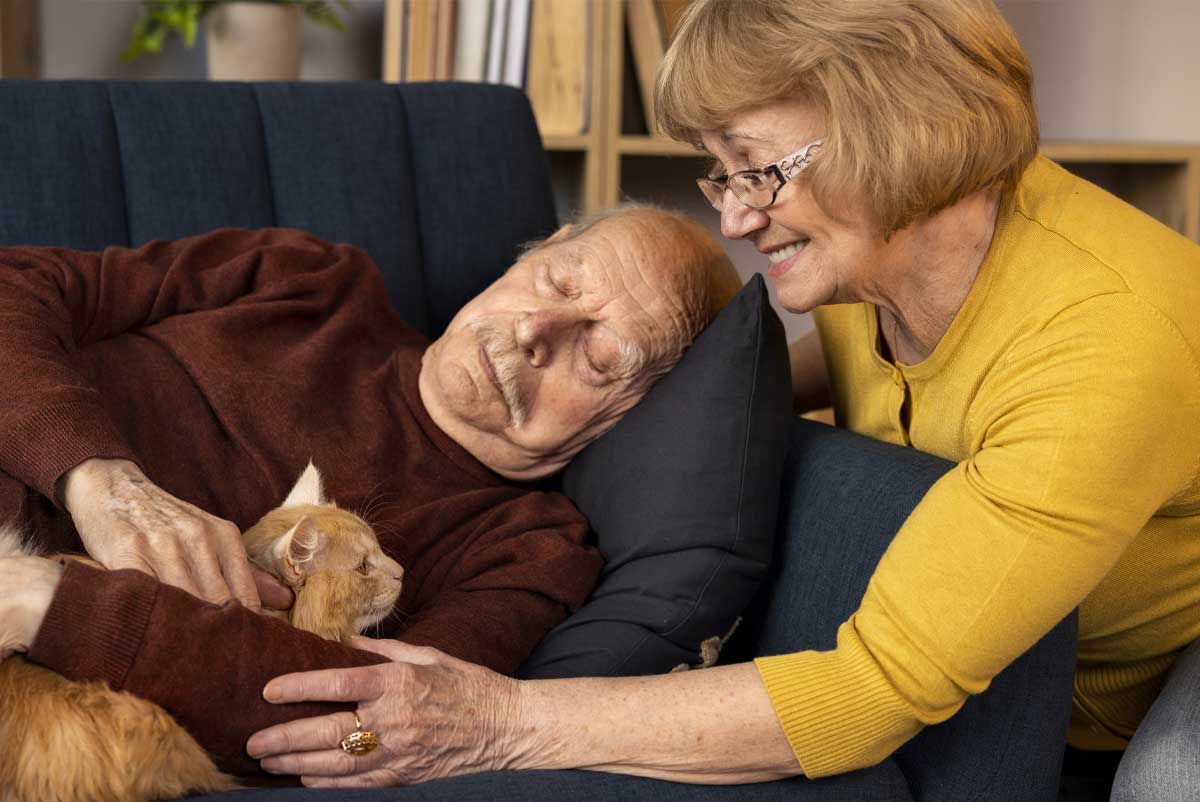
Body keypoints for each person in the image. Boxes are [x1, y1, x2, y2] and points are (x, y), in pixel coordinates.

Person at [196, 0, 1200, 796]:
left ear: (901, 127)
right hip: (1041, 661)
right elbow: (870, 381)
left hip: (1151, 678)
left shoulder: (1107, 348)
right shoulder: (883, 249)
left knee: (1165, 784)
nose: (732, 215)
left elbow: (869, 689)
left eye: (757, 167)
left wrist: (492, 720)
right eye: (718, 172)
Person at [0, 205, 742, 779]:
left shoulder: (527, 551)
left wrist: (44, 604)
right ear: (544, 244)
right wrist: (99, 478)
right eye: (558, 280)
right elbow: (15, 286)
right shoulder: (309, 278)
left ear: (638, 417)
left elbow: (361, 729)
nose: (533, 332)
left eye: (601, 356)